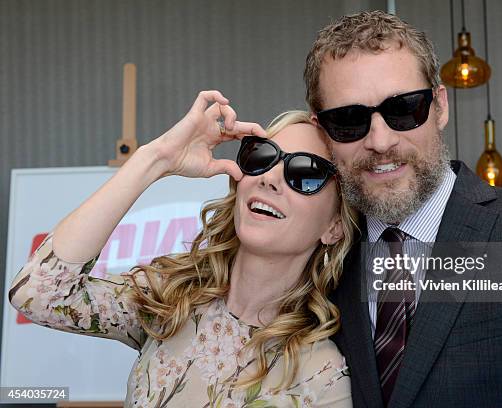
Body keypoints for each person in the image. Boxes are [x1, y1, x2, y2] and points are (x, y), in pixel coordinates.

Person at [303, 10, 502, 407]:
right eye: (349, 120)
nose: (380, 141)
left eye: (404, 109)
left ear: (440, 106)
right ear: (321, 132)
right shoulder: (323, 260)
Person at [9, 90, 357, 407]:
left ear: (334, 226)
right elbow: (38, 295)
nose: (269, 178)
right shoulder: (173, 298)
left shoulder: (321, 375)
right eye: (261, 156)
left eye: (305, 173)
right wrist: (155, 159)